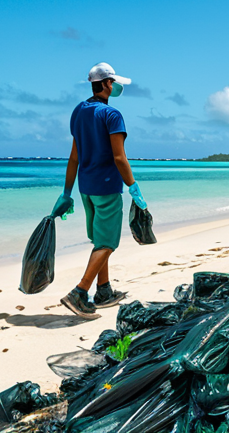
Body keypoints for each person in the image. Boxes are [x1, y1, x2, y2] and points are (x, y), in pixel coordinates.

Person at [51, 62, 148, 319]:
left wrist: (67, 192)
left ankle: (103, 291)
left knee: (98, 239)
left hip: (86, 188)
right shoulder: (112, 115)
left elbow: (74, 157)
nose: (116, 86)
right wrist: (133, 187)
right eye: (113, 82)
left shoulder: (78, 112)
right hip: (107, 187)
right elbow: (119, 157)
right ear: (105, 84)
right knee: (107, 243)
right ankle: (79, 293)